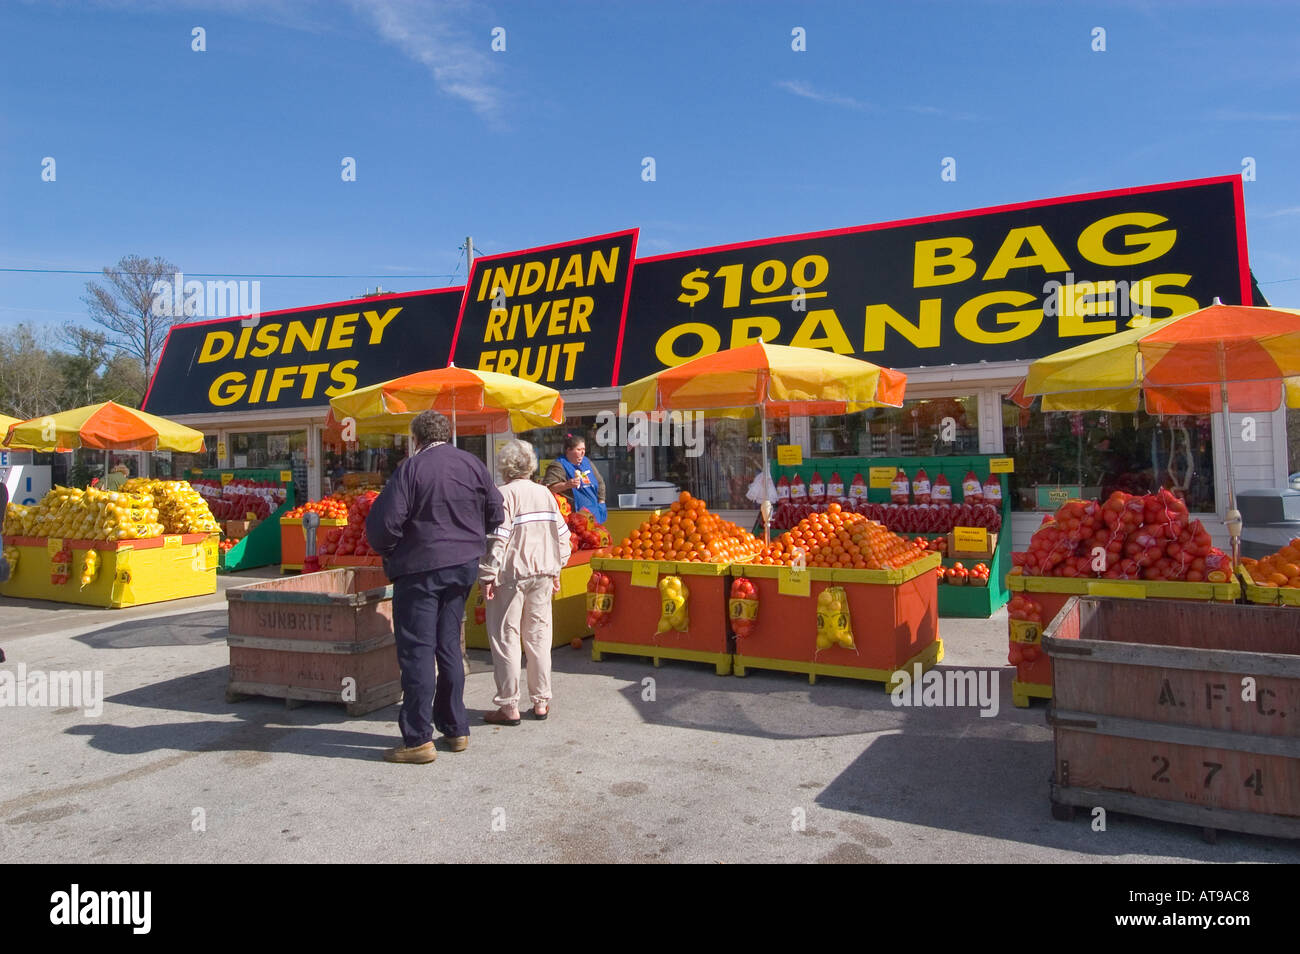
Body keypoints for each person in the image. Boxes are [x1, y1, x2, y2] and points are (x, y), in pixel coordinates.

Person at [366, 410, 504, 765]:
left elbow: (385, 525)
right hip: (462, 567)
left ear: (416, 439)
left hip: (420, 569)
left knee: (417, 651)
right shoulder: (472, 463)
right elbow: (496, 512)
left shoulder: (411, 469)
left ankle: (418, 739)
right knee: (448, 647)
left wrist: (391, 550)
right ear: (448, 433)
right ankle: (456, 728)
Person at [480, 440, 571, 725]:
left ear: (505, 467)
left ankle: (508, 706)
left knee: (506, 638)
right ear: (530, 466)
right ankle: (541, 701)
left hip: (511, 576)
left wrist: (486, 575)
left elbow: (498, 540)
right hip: (543, 573)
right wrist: (557, 568)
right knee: (539, 637)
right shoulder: (545, 494)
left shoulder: (502, 495)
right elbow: (563, 535)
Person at [544, 433, 606, 523]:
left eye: (584, 449)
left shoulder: (586, 462)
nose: (582, 452)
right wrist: (566, 485)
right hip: (573, 518)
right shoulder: (558, 465)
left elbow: (600, 482)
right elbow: (549, 488)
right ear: (568, 450)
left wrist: (601, 501)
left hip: (594, 514)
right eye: (579, 449)